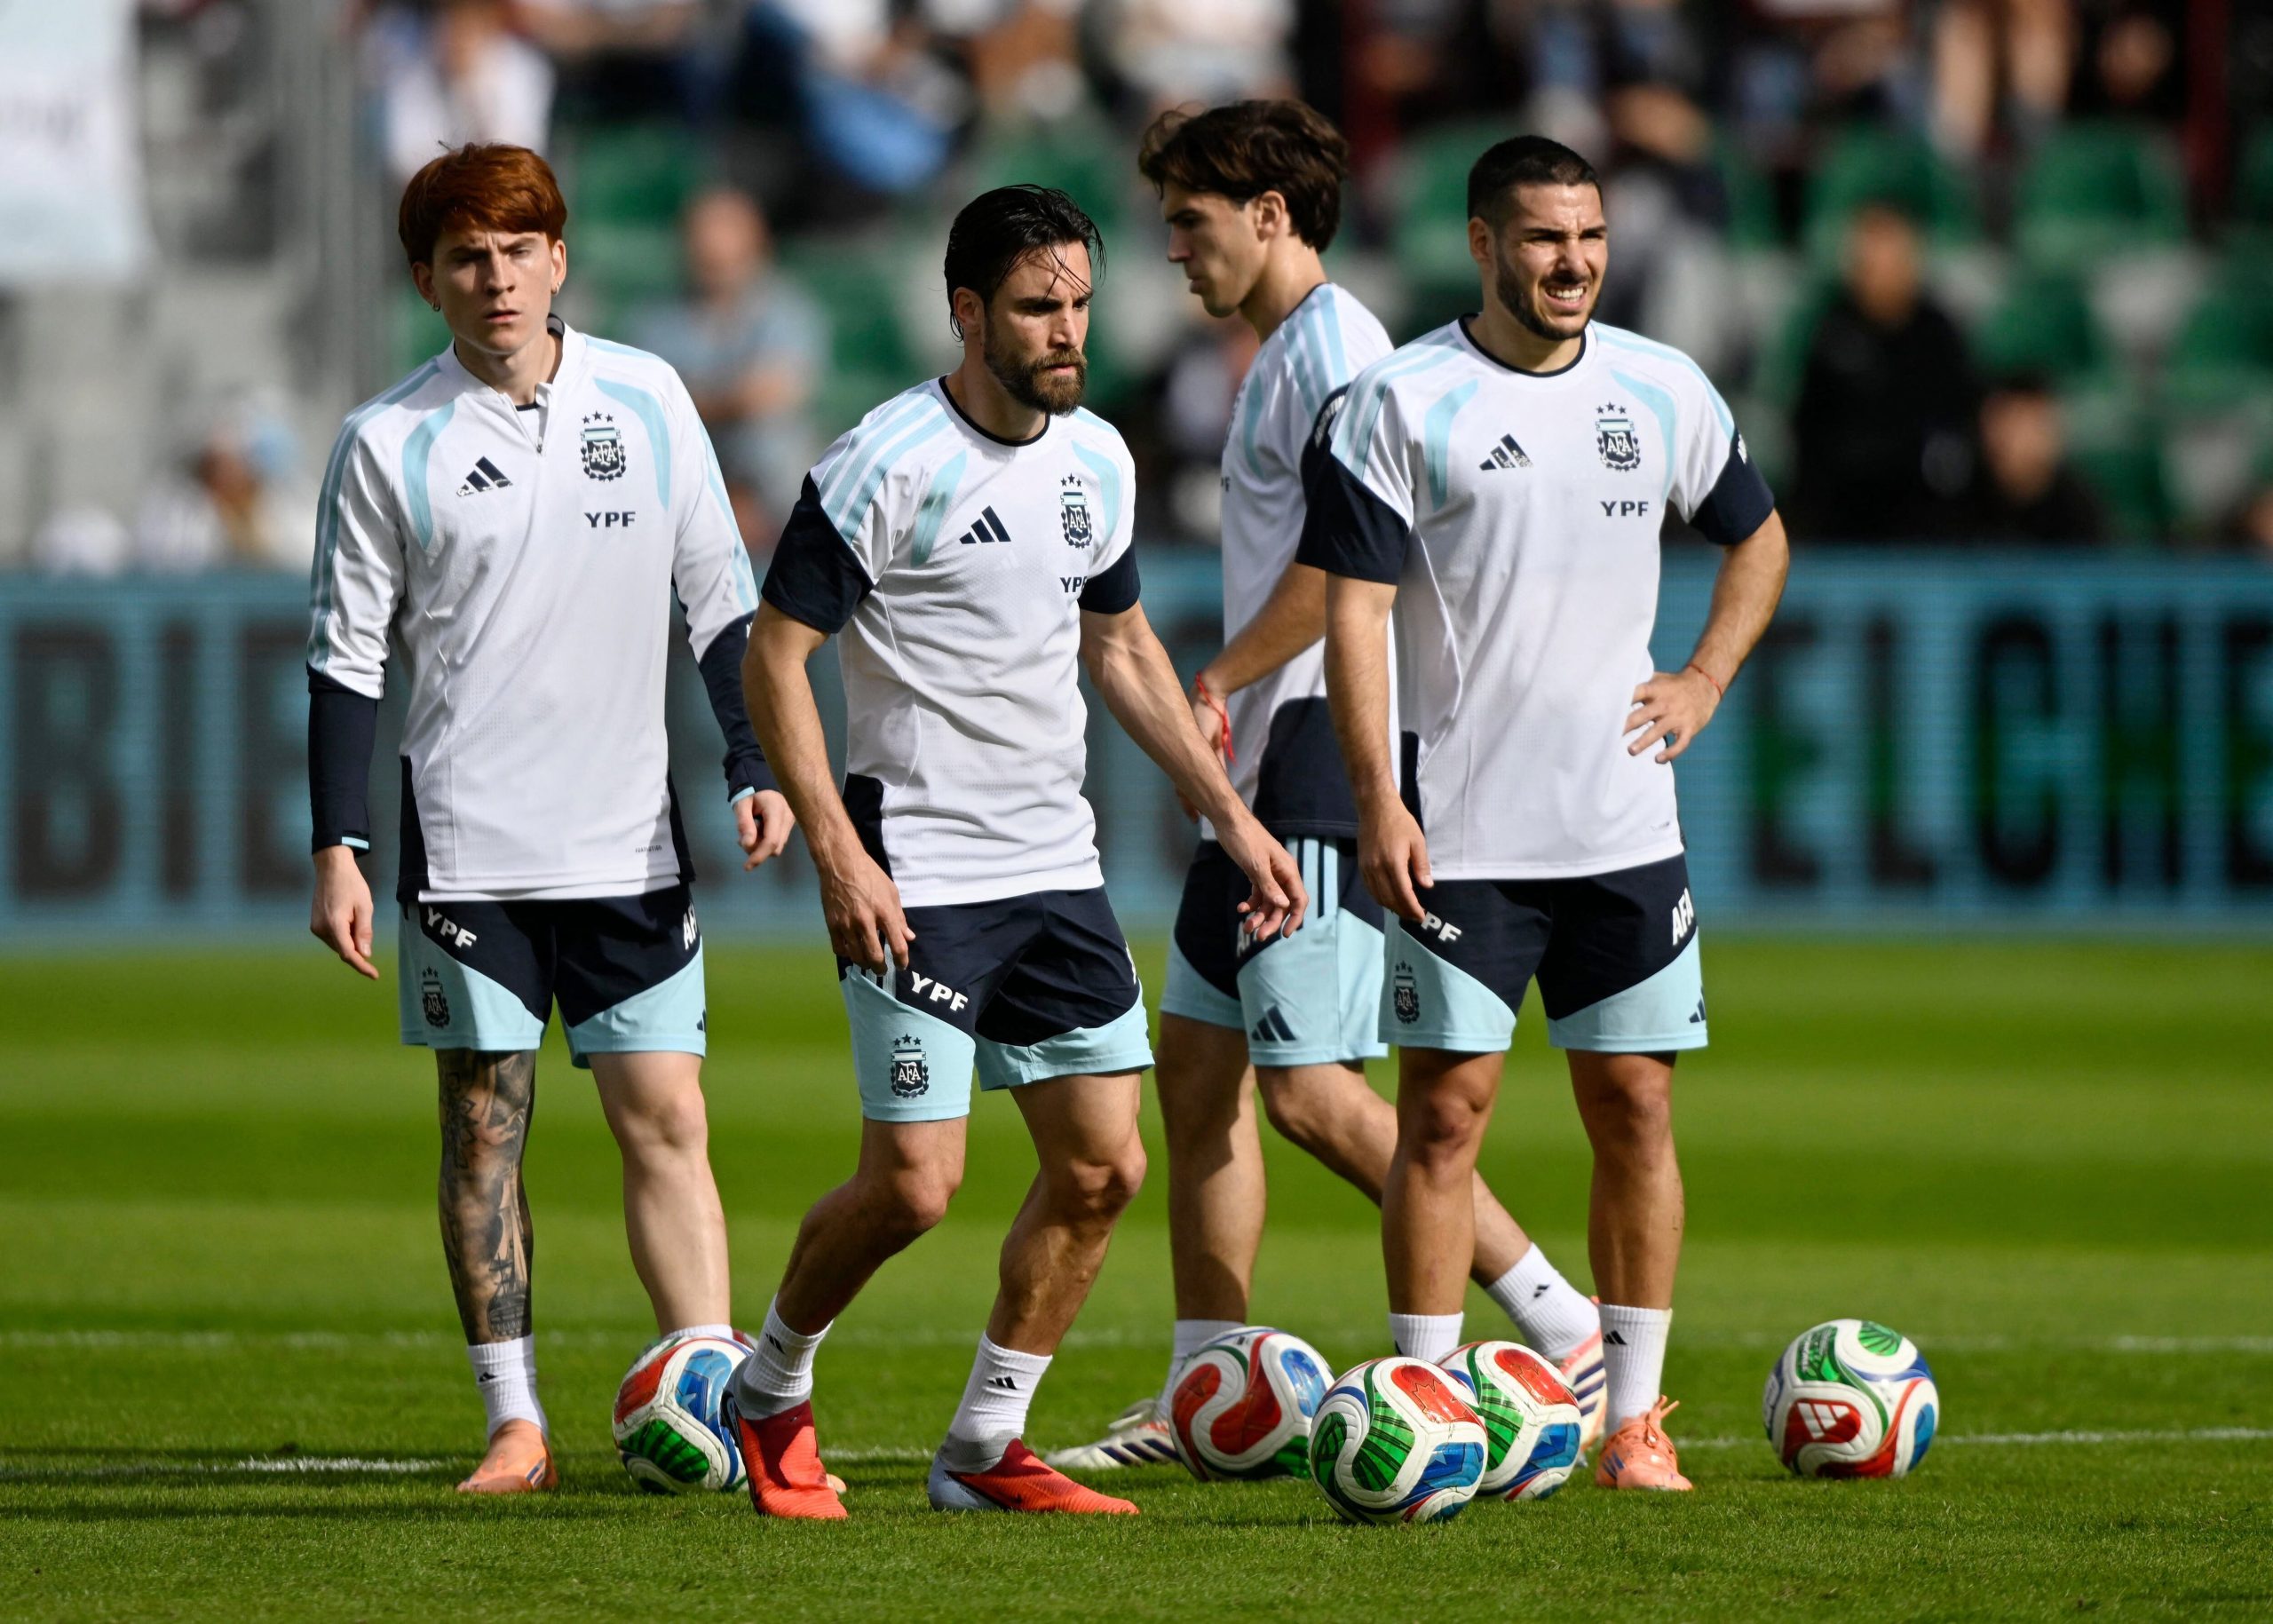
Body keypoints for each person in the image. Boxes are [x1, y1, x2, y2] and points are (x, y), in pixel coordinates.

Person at [725, 185, 1307, 1520]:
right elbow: (776, 654)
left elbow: (1122, 647)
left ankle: (986, 1444)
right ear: (968, 311)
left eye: (1081, 304)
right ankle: (768, 1385)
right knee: (914, 1185)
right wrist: (839, 852)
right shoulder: (883, 461)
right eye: (1040, 307)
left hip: (1055, 866)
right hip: (917, 868)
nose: (1068, 331)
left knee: (1105, 1167)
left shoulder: (1097, 455)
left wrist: (1230, 817)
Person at [1049, 100, 1606, 1476]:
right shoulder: (1285, 353)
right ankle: (1207, 1389)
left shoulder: (1339, 355)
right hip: (1253, 763)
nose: (1172, 248)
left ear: (1270, 215)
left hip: (1307, 751)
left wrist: (1222, 674)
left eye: (1190, 219)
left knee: (1307, 1092)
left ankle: (1562, 1319)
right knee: (1197, 1075)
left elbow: (1355, 562)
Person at [304, 143, 795, 1494]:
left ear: (561, 259)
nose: (498, 278)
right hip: (470, 846)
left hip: (631, 838)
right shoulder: (385, 440)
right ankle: (515, 1423)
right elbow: (346, 658)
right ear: (426, 281)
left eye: (520, 250)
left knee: (668, 1118)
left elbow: (721, 603)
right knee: (483, 1129)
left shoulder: (649, 395)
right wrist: (338, 843)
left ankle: (704, 1389)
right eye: (467, 257)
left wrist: (752, 761)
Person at [1302, 136, 1790, 1492]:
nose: (1572, 261)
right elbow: (1354, 614)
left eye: (1589, 236)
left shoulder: (1663, 386)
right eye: (1542, 238)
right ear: (1481, 244)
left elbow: (1757, 537)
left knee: (1635, 1106)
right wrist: (1376, 796)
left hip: (1624, 829)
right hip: (1461, 829)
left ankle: (1634, 1420)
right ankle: (1428, 1406)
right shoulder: (1400, 401)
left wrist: (1705, 676)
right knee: (1443, 1117)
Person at [628, 188, 828, 544]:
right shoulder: (656, 318)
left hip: (770, 488)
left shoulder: (787, 310)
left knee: (779, 450)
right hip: (683, 481)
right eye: (705, 256)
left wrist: (697, 400)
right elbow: (647, 406)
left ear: (756, 249)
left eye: (727, 258)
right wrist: (731, 398)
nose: (715, 266)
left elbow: (773, 392)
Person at [1791, 202, 1978, 543]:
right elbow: (1809, 431)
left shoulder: (1939, 336)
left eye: (1891, 257)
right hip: (1840, 518)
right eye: (1869, 259)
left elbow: (1958, 431)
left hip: (1924, 521)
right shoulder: (1831, 331)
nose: (1879, 270)